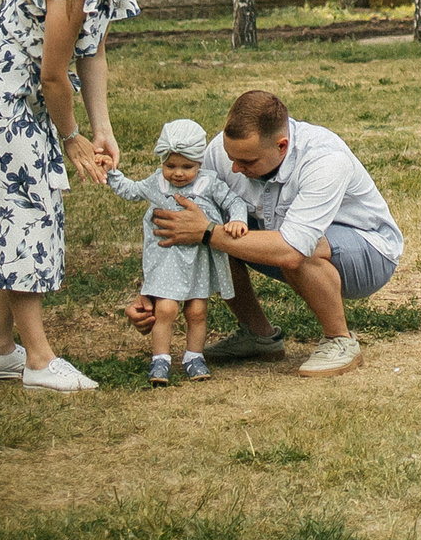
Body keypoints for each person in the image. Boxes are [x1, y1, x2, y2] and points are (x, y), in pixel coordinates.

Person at [0, 0, 183, 393]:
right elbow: (53, 77)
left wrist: (102, 128)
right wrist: (73, 138)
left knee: (17, 209)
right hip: (2, 99)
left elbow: (93, 55)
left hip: (28, 96)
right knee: (28, 209)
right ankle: (38, 361)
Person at [126, 89, 404, 379]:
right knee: (210, 233)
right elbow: (182, 228)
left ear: (282, 146)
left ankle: (339, 341)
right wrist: (150, 291)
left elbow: (291, 249)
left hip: (370, 251)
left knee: (294, 249)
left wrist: (208, 232)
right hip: (287, 239)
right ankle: (259, 337)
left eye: (246, 162)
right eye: (231, 157)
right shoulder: (222, 153)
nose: (234, 167)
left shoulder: (324, 159)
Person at [102, 118, 247, 385]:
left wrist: (237, 219)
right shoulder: (158, 183)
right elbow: (131, 190)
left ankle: (194, 356)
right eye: (170, 166)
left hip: (197, 260)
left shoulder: (208, 183)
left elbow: (233, 201)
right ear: (162, 163)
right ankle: (160, 360)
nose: (178, 173)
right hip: (167, 259)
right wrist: (112, 173)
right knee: (166, 309)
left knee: (196, 311)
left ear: (199, 164)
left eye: (186, 167)